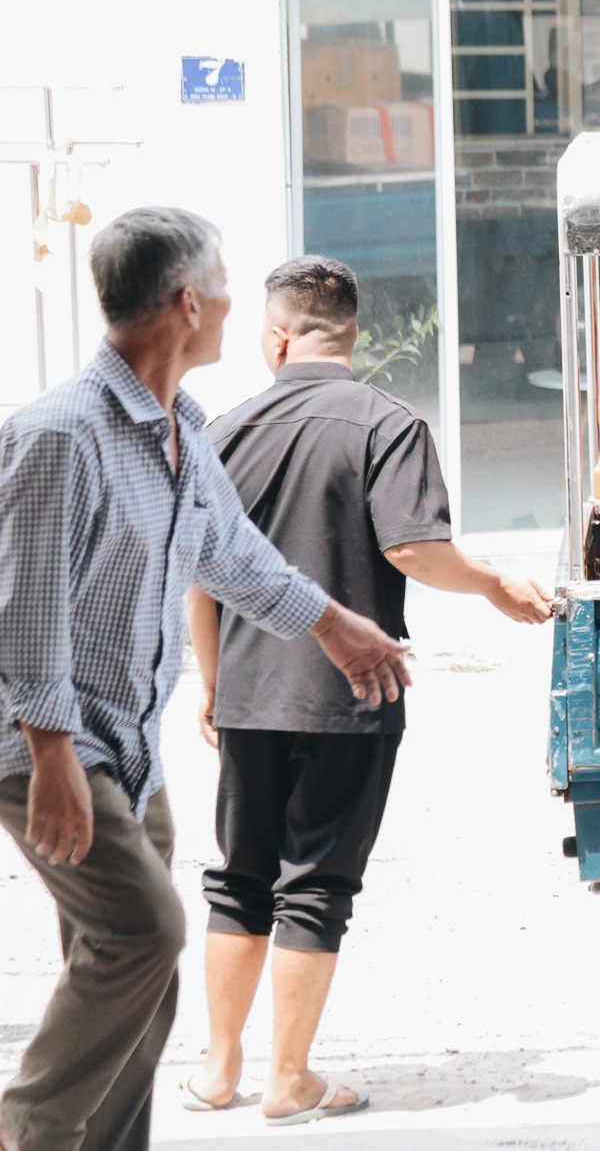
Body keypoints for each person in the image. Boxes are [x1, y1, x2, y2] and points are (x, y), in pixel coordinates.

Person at [0, 209, 411, 1151]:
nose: (234, 297)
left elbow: (235, 559)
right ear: (188, 301)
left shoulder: (184, 426)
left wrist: (342, 629)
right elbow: (23, 606)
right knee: (147, 933)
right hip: (48, 741)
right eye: (223, 280)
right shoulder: (62, 432)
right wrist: (52, 758)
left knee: (135, 975)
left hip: (128, 744)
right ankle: (29, 1127)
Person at [182, 256, 553, 1125]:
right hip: (354, 693)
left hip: (247, 690)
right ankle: (290, 1080)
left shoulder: (223, 429)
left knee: (238, 876)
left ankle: (219, 1071)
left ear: (277, 336)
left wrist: (210, 678)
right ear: (352, 335)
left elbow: (197, 572)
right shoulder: (389, 422)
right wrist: (496, 585)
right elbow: (414, 550)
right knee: (314, 883)